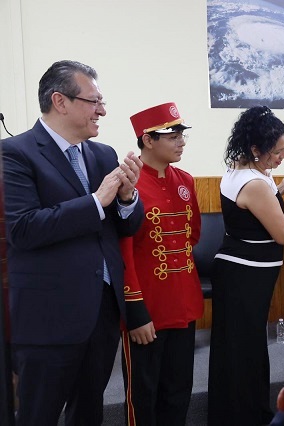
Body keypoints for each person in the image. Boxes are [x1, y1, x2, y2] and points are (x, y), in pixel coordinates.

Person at [2, 60, 144, 425]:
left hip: (101, 311)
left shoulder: (103, 155)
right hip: (48, 315)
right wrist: (97, 201)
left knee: (89, 412)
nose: (103, 110)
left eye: (102, 100)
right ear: (60, 101)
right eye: (93, 101)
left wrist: (127, 198)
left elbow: (124, 228)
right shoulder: (16, 153)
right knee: (39, 414)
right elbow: (24, 229)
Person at [208, 105, 284, 425]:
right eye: (276, 152)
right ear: (256, 149)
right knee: (243, 352)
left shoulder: (244, 170)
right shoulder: (253, 183)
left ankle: (244, 412)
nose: (282, 157)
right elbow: (283, 234)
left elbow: (260, 204)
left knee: (243, 348)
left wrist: (281, 188)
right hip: (244, 276)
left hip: (242, 273)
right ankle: (244, 416)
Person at [119, 103, 204, 425]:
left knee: (178, 388)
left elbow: (191, 235)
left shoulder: (185, 180)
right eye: (172, 135)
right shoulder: (127, 183)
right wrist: (135, 309)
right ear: (148, 140)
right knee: (143, 392)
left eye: (182, 134)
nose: (181, 141)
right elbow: (121, 251)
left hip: (183, 300)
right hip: (147, 306)